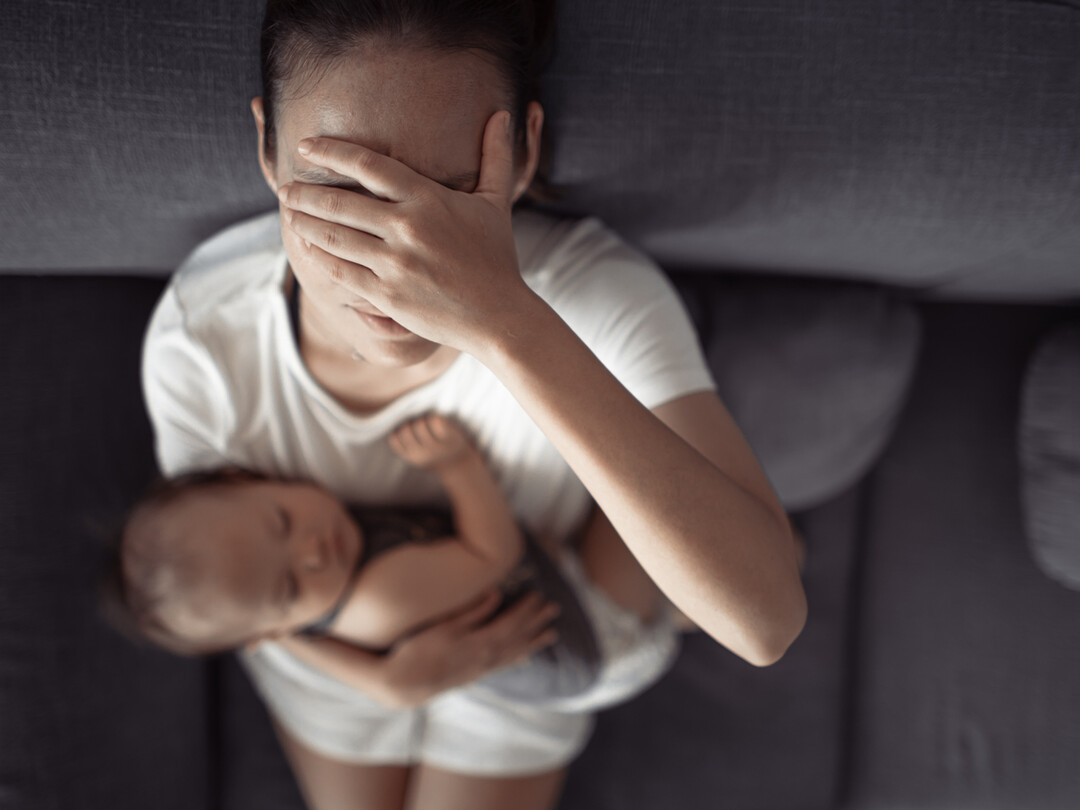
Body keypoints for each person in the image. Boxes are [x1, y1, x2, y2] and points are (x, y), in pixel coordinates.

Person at [143, 0, 807, 806]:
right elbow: (242, 601)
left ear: (522, 155)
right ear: (268, 151)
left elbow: (763, 621)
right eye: (337, 194)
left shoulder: (591, 299)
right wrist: (382, 681)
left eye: (448, 194)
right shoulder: (202, 345)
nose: (398, 259)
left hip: (530, 631)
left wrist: (505, 323)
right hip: (337, 658)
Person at [109, 412, 630, 706]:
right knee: (639, 482)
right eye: (290, 587)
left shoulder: (281, 623)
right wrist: (457, 466)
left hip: (554, 586)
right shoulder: (379, 600)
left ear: (246, 478)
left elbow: (284, 636)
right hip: (594, 626)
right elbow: (494, 553)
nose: (312, 552)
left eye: (281, 523)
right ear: (273, 626)